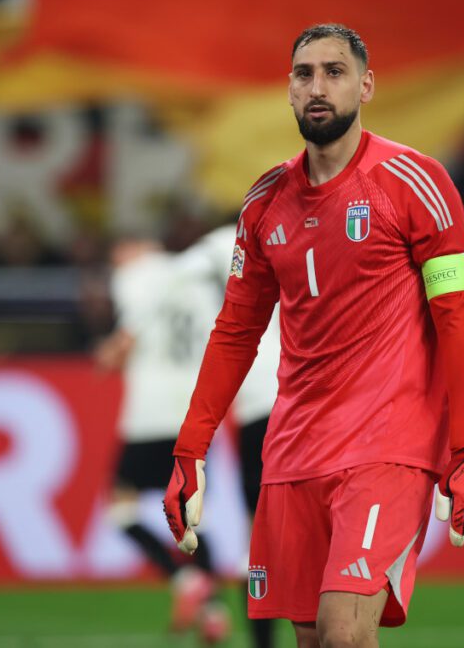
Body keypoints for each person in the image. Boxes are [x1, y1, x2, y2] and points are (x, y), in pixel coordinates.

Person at [163, 24, 464, 648]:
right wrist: (191, 451)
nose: (317, 87)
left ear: (366, 86)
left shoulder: (416, 183)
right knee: (317, 641)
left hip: (387, 444)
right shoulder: (265, 205)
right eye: (304, 74)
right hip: (293, 452)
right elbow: (236, 330)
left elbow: (457, 322)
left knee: (343, 633)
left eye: (334, 72)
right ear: (289, 90)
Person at [97, 237, 230, 644]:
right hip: (197, 409)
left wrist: (104, 356)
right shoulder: (200, 280)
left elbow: (122, 346)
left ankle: (184, 579)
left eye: (118, 250)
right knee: (192, 512)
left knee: (121, 505)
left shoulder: (136, 278)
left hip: (150, 412)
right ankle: (214, 612)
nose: (114, 259)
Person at [182, 223, 282, 648]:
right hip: (308, 399)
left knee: (258, 541)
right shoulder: (294, 242)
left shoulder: (229, 241)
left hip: (265, 407)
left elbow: (184, 267)